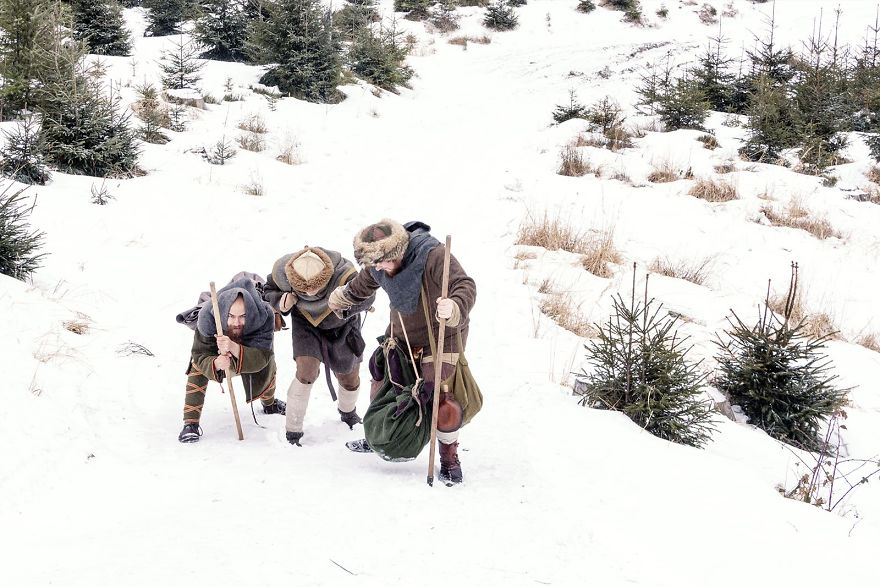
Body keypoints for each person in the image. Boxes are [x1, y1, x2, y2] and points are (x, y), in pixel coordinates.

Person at [328, 219, 476, 484]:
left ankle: (449, 457)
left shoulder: (433, 255)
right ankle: (378, 434)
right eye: (375, 264)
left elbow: (465, 285)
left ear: (396, 251)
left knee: (440, 397)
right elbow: (364, 283)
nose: (379, 268)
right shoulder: (379, 263)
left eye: (383, 262)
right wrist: (344, 297)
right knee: (382, 383)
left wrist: (454, 306)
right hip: (401, 334)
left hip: (441, 335)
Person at [264, 247, 376, 446]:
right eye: (303, 289)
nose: (309, 293)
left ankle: (348, 412)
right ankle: (293, 430)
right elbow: (269, 290)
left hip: (342, 325)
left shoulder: (345, 274)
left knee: (349, 376)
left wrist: (346, 304)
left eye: (314, 288)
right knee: (306, 371)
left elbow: (368, 295)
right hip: (306, 325)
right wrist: (283, 301)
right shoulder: (283, 272)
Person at [178, 277, 285, 443]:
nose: (236, 322)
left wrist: (234, 347)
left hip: (250, 356)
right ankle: (190, 424)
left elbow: (263, 356)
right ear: (223, 313)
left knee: (269, 365)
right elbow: (200, 355)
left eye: (243, 316)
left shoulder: (263, 315)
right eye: (231, 316)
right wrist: (216, 363)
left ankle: (269, 404)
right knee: (196, 369)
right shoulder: (207, 317)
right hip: (219, 358)